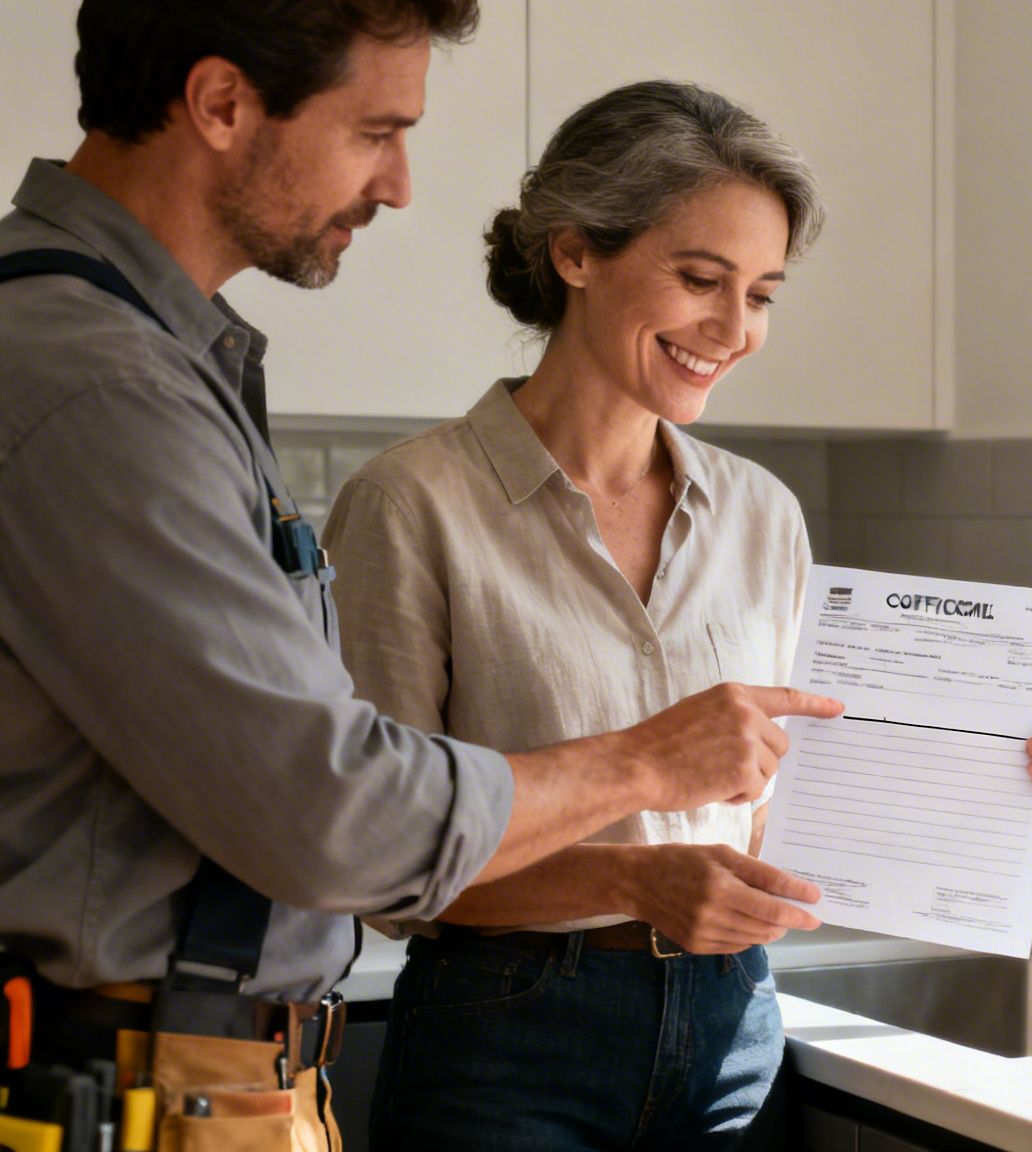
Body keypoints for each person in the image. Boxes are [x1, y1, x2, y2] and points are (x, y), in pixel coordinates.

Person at [0, 5, 840, 1146]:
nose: (400, 185)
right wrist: (642, 774)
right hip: (157, 1077)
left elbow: (800, 790)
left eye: (764, 292)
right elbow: (343, 819)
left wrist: (993, 778)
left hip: (220, 1076)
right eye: (374, 131)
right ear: (220, 103)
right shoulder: (105, 383)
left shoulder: (169, 357)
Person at [320, 79, 1032, 1150]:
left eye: (762, 293)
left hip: (734, 1029)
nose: (732, 329)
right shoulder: (411, 504)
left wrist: (995, 796)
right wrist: (629, 882)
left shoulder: (761, 515)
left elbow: (785, 812)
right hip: (506, 1038)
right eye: (700, 279)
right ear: (575, 253)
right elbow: (382, 865)